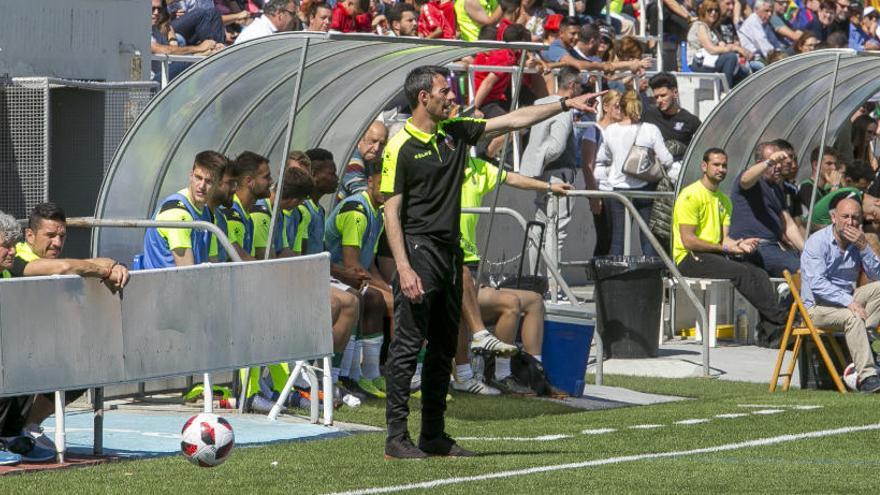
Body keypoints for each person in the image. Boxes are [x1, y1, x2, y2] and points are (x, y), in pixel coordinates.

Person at [380, 65, 601, 459]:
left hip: (449, 254)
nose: (451, 97)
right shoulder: (400, 147)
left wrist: (563, 104)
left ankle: (433, 434)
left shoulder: (454, 132)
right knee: (409, 344)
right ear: (422, 99)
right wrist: (404, 267)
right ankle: (397, 438)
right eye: (443, 91)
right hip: (417, 251)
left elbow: (514, 119)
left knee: (444, 347)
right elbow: (391, 212)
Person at [6, 203, 130, 456]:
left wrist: (116, 265)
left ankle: (27, 426)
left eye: (62, 236)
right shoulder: (16, 257)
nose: (57, 242)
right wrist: (103, 270)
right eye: (50, 236)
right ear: (29, 236)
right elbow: (63, 268)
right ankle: (9, 433)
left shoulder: (46, 256)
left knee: (81, 370)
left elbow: (78, 263)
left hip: (34, 342)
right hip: (12, 348)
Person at [453, 157, 571, 396]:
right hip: (449, 266)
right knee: (510, 303)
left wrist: (548, 187)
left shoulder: (477, 166)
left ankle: (533, 374)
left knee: (534, 300)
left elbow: (512, 178)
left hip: (471, 267)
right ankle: (499, 374)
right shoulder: (440, 166)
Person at [673, 148, 790, 345]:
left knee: (759, 273)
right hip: (689, 257)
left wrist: (738, 244)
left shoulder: (724, 200)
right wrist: (725, 249)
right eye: (716, 165)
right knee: (739, 271)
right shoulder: (690, 195)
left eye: (724, 165)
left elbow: (724, 240)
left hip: (712, 255)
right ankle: (783, 319)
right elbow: (688, 240)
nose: (721, 169)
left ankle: (771, 335)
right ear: (704, 166)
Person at [324, 163, 392, 398]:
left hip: (345, 276)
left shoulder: (378, 212)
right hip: (333, 277)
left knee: (394, 299)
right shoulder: (357, 211)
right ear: (370, 182)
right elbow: (352, 265)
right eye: (383, 183)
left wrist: (389, 289)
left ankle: (371, 374)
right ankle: (347, 374)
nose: (388, 189)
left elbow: (369, 264)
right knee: (370, 299)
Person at [800, 197, 880, 393]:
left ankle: (864, 336)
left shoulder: (857, 243)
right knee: (853, 317)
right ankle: (868, 377)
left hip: (845, 300)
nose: (850, 222)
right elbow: (817, 284)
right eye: (845, 217)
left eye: (855, 218)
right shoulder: (817, 242)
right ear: (834, 217)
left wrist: (864, 248)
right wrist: (848, 302)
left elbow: (876, 275)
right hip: (817, 307)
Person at [520, 67, 584, 291]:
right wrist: (542, 161)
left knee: (539, 226)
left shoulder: (541, 103)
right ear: (573, 86)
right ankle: (553, 288)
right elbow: (556, 147)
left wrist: (535, 164)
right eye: (580, 87)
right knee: (556, 231)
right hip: (559, 175)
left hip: (542, 174)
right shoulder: (563, 107)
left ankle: (535, 282)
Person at [595, 89, 674, 256]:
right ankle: (650, 278)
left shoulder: (610, 130)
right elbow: (667, 160)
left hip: (618, 190)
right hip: (644, 189)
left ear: (622, 107)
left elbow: (604, 156)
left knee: (618, 239)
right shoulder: (650, 129)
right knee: (648, 239)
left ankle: (615, 279)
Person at [729, 141, 804, 277]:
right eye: (774, 162)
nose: (778, 166)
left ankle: (787, 295)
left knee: (812, 264)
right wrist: (769, 162)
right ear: (759, 163)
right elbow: (746, 179)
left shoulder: (776, 188)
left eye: (779, 162)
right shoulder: (750, 180)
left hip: (773, 246)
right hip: (754, 246)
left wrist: (806, 250)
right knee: (801, 269)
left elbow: (788, 224)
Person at [140, 151, 227, 268]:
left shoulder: (209, 215)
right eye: (198, 178)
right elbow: (186, 273)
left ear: (218, 185)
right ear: (191, 175)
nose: (201, 186)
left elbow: (214, 263)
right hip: (165, 285)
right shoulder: (177, 213)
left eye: (209, 181)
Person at [686, 0, 751, 89]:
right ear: (703, 12)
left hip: (710, 60)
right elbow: (711, 49)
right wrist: (733, 47)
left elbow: (722, 45)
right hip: (698, 62)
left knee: (743, 70)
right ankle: (725, 92)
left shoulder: (712, 29)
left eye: (716, 10)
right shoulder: (700, 26)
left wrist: (737, 50)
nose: (714, 13)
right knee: (730, 58)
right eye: (710, 10)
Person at [225, 151, 273, 260]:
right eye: (266, 177)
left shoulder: (246, 214)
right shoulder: (233, 214)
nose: (271, 182)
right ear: (249, 181)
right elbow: (240, 260)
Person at [643, 72, 702, 162]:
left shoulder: (691, 121)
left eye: (663, 95)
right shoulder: (647, 116)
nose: (659, 100)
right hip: (651, 170)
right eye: (656, 97)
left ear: (675, 93)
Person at [337, 122, 388, 202]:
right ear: (360, 138)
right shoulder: (353, 162)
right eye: (373, 141)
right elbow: (363, 198)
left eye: (381, 144)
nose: (377, 148)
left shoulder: (371, 161)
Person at [798, 146, 841, 211]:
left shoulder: (827, 189)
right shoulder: (807, 187)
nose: (834, 168)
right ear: (815, 165)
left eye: (835, 164)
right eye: (829, 164)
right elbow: (819, 214)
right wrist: (834, 186)